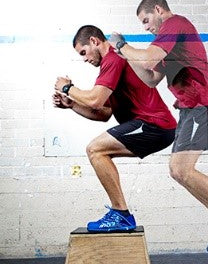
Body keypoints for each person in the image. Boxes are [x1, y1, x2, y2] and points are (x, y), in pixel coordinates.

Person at [109, 0, 208, 254]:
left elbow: (149, 59)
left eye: (146, 20)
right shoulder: (167, 42)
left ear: (158, 9)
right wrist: (126, 56)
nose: (146, 27)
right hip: (189, 108)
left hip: (203, 104)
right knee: (177, 171)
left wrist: (121, 46)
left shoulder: (175, 24)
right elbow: (151, 77)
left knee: (183, 170)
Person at [54, 25, 177, 232]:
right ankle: (121, 213)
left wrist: (67, 88)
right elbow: (103, 113)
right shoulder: (109, 66)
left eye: (84, 52)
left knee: (95, 149)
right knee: (99, 151)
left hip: (154, 125)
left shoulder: (113, 59)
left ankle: (121, 214)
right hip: (153, 127)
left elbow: (94, 99)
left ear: (94, 41)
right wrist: (72, 104)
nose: (84, 59)